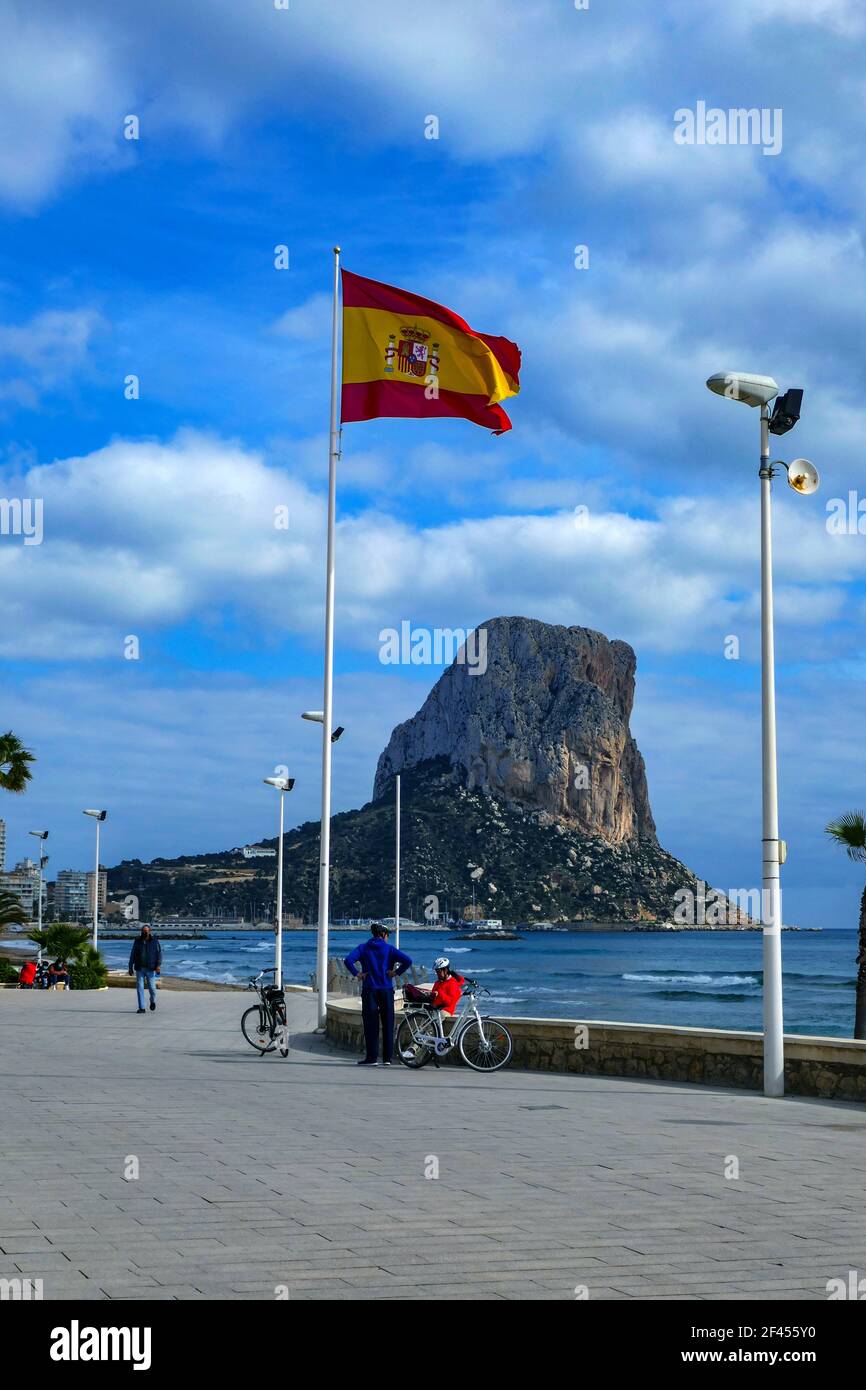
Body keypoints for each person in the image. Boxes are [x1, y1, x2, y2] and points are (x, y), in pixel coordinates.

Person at [344, 923, 412, 1066]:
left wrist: (358, 974)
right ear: (383, 934)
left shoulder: (363, 948)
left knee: (371, 1024)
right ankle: (387, 1059)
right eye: (387, 935)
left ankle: (372, 1058)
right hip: (386, 990)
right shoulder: (389, 949)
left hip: (369, 990)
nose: (387, 938)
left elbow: (348, 960)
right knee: (388, 1024)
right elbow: (408, 961)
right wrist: (395, 973)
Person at [426, 957, 465, 1035]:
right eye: (436, 972)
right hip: (435, 1008)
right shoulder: (438, 982)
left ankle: (417, 1046)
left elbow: (450, 1002)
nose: (437, 974)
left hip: (446, 1010)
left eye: (438, 972)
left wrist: (439, 993)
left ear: (445, 970)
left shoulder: (452, 983)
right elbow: (433, 997)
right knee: (425, 1019)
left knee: (432, 1024)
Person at [128, 925, 161, 1014]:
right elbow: (133, 954)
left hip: (150, 968)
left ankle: (152, 1001)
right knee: (140, 987)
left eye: (146, 930)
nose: (145, 932)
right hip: (140, 968)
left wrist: (158, 966)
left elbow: (159, 954)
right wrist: (130, 967)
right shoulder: (137, 941)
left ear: (149, 931)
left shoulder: (154, 941)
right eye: (143, 930)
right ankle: (141, 1007)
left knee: (152, 988)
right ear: (141, 931)